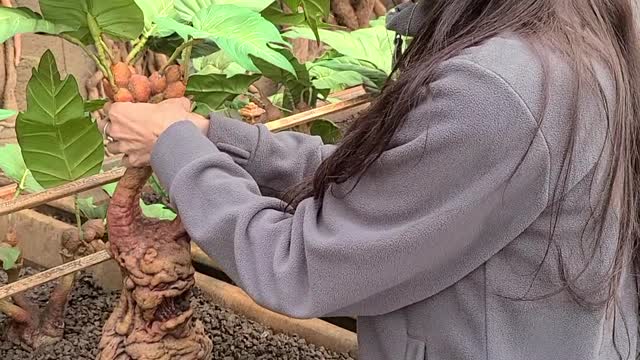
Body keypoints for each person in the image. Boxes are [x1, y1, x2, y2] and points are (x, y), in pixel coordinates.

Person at [99, 0, 640, 359]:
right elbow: (400, 184)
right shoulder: (576, 34)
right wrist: (219, 138)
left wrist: (175, 147)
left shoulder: (497, 89)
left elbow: (297, 265)